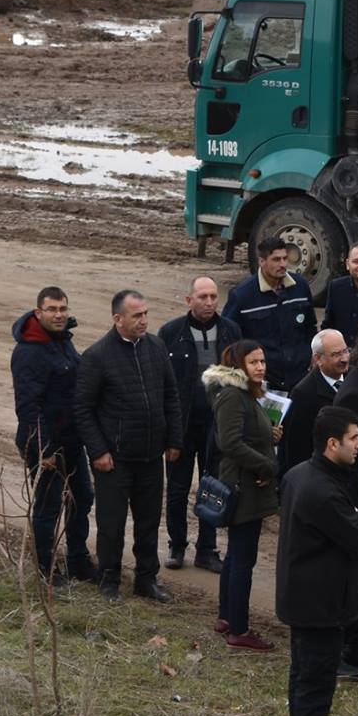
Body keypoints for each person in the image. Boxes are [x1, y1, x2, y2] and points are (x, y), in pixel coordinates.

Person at [277, 406, 358, 716]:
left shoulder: (301, 474)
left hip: (306, 599)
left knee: (304, 682)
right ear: (332, 444)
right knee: (314, 689)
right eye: (353, 438)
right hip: (319, 605)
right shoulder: (322, 490)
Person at [73, 289, 184, 601]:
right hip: (115, 460)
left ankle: (146, 579)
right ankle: (109, 578)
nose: (144, 321)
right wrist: (98, 451)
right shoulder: (97, 356)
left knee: (149, 523)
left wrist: (174, 438)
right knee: (112, 525)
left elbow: (170, 394)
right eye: (137, 315)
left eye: (146, 314)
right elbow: (82, 408)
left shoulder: (156, 347)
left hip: (150, 456)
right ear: (117, 319)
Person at [11, 286, 96, 586]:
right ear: (38, 313)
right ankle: (46, 570)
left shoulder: (61, 342)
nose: (59, 315)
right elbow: (27, 406)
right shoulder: (29, 351)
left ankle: (77, 561)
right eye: (52, 310)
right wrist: (43, 448)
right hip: (47, 444)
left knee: (82, 497)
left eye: (63, 309)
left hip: (72, 439)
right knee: (48, 508)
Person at [157, 276, 238, 572]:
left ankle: (206, 549)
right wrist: (167, 431)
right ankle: (177, 546)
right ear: (188, 300)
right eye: (202, 296)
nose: (208, 302)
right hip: (181, 426)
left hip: (216, 425)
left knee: (213, 489)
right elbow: (161, 383)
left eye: (213, 296)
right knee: (177, 490)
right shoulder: (170, 333)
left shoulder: (231, 331)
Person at [206, 339, 281, 650]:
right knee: (242, 559)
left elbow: (246, 434)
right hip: (242, 487)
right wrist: (266, 466)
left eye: (262, 361)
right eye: (253, 362)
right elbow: (231, 443)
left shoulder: (246, 395)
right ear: (239, 366)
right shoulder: (233, 396)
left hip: (248, 484)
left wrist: (270, 434)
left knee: (237, 555)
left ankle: (227, 618)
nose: (260, 367)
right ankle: (239, 629)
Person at [223, 235, 316, 391]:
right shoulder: (242, 296)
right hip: (264, 382)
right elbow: (229, 338)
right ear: (261, 261)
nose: (283, 264)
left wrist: (309, 357)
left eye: (285, 258)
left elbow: (310, 327)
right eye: (276, 260)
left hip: (300, 378)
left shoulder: (300, 287)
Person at [279, 329, 348, 479]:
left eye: (345, 351)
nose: (344, 358)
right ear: (318, 359)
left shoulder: (353, 379)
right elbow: (296, 446)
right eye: (336, 354)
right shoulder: (303, 394)